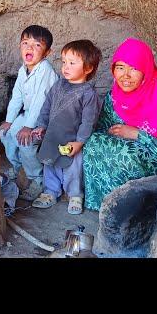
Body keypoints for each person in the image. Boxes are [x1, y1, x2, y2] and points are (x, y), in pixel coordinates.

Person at [82, 37, 157, 211]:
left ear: (146, 70)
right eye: (120, 68)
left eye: (134, 68)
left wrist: (137, 134)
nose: (125, 75)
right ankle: (104, 206)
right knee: (92, 143)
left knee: (127, 153)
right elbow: (103, 127)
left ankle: (135, 210)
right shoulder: (115, 96)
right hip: (126, 149)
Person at [30, 40, 102, 215]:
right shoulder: (58, 85)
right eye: (63, 62)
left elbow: (88, 121)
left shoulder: (88, 93)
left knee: (73, 168)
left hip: (72, 139)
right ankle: (50, 192)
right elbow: (46, 106)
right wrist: (41, 125)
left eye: (72, 63)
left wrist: (80, 142)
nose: (66, 67)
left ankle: (75, 195)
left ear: (88, 68)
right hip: (53, 135)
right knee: (50, 164)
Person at [0, 25, 58, 201]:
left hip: (45, 120)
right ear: (19, 47)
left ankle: (36, 179)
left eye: (37, 45)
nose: (30, 48)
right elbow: (17, 97)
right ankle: (18, 167)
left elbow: (40, 102)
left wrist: (28, 127)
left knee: (26, 141)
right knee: (6, 133)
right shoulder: (23, 69)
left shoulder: (45, 70)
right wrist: (9, 120)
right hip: (28, 116)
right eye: (25, 43)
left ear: (47, 52)